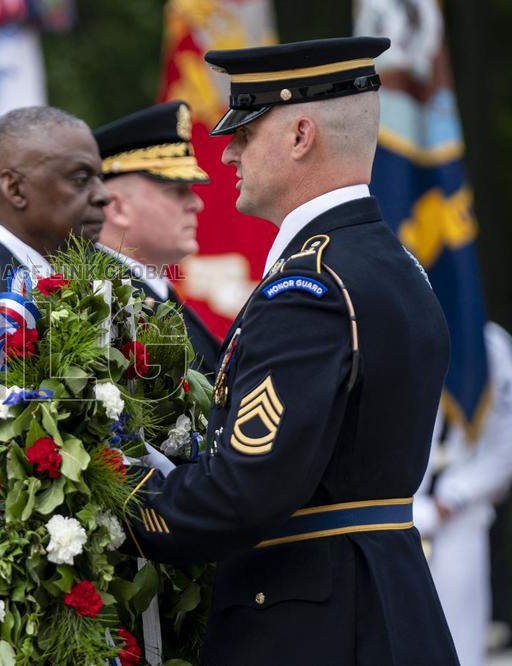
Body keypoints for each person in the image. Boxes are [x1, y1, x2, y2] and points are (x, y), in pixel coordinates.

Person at [123, 38, 459, 664]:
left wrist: (111, 484)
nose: (226, 153)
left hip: (309, 624)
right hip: (380, 597)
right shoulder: (392, 265)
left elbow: (240, 494)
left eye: (245, 135)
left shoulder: (311, 288)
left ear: (302, 135)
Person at [94, 101, 221, 373]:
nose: (196, 204)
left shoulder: (151, 294)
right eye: (177, 191)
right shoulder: (102, 308)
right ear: (117, 207)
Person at [415, 321, 512, 666]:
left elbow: (506, 447)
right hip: (398, 511)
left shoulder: (490, 344)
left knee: (460, 644)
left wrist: (453, 497)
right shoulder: (397, 324)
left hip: (459, 514)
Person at [0, 105, 111, 316]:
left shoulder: (93, 287)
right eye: (80, 179)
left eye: (100, 179)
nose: (104, 195)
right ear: (15, 189)